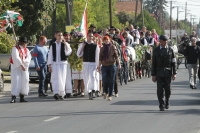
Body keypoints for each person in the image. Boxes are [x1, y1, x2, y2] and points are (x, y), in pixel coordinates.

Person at [151, 35, 177, 111]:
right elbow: (154, 63)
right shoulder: (156, 50)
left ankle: (167, 101)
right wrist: (153, 75)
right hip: (159, 72)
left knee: (168, 89)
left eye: (166, 40)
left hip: (168, 72)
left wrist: (174, 73)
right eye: (164, 40)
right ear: (160, 41)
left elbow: (173, 62)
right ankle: (161, 104)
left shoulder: (170, 50)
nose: (166, 42)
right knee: (160, 90)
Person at [47, 31, 72, 100]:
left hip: (63, 63)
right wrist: (49, 65)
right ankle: (56, 93)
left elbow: (68, 52)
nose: (60, 36)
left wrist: (65, 44)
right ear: (56, 36)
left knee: (62, 78)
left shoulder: (65, 44)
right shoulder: (53, 45)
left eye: (61, 35)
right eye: (59, 35)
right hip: (55, 64)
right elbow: (50, 56)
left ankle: (61, 93)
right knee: (55, 78)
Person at [97, 36, 121, 101]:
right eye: (104, 40)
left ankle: (110, 95)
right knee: (104, 80)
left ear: (109, 40)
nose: (106, 41)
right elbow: (100, 58)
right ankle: (106, 92)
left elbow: (116, 56)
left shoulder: (113, 47)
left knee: (111, 80)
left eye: (107, 40)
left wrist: (119, 64)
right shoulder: (102, 48)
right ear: (103, 41)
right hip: (104, 66)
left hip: (112, 65)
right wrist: (99, 66)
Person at [77, 32, 100, 100]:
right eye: (89, 36)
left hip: (93, 64)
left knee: (93, 77)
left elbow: (97, 56)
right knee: (86, 77)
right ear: (87, 36)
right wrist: (83, 47)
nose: (90, 37)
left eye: (92, 36)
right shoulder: (83, 44)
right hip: (86, 63)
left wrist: (97, 65)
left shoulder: (95, 45)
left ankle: (93, 90)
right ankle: (89, 91)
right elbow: (78, 54)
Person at [10, 37, 32, 103]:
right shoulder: (15, 49)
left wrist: (24, 63)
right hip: (16, 68)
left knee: (24, 81)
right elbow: (16, 57)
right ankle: (13, 96)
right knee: (16, 81)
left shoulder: (26, 50)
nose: (26, 44)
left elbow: (29, 57)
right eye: (25, 43)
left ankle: (22, 96)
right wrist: (21, 64)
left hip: (24, 68)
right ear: (23, 43)